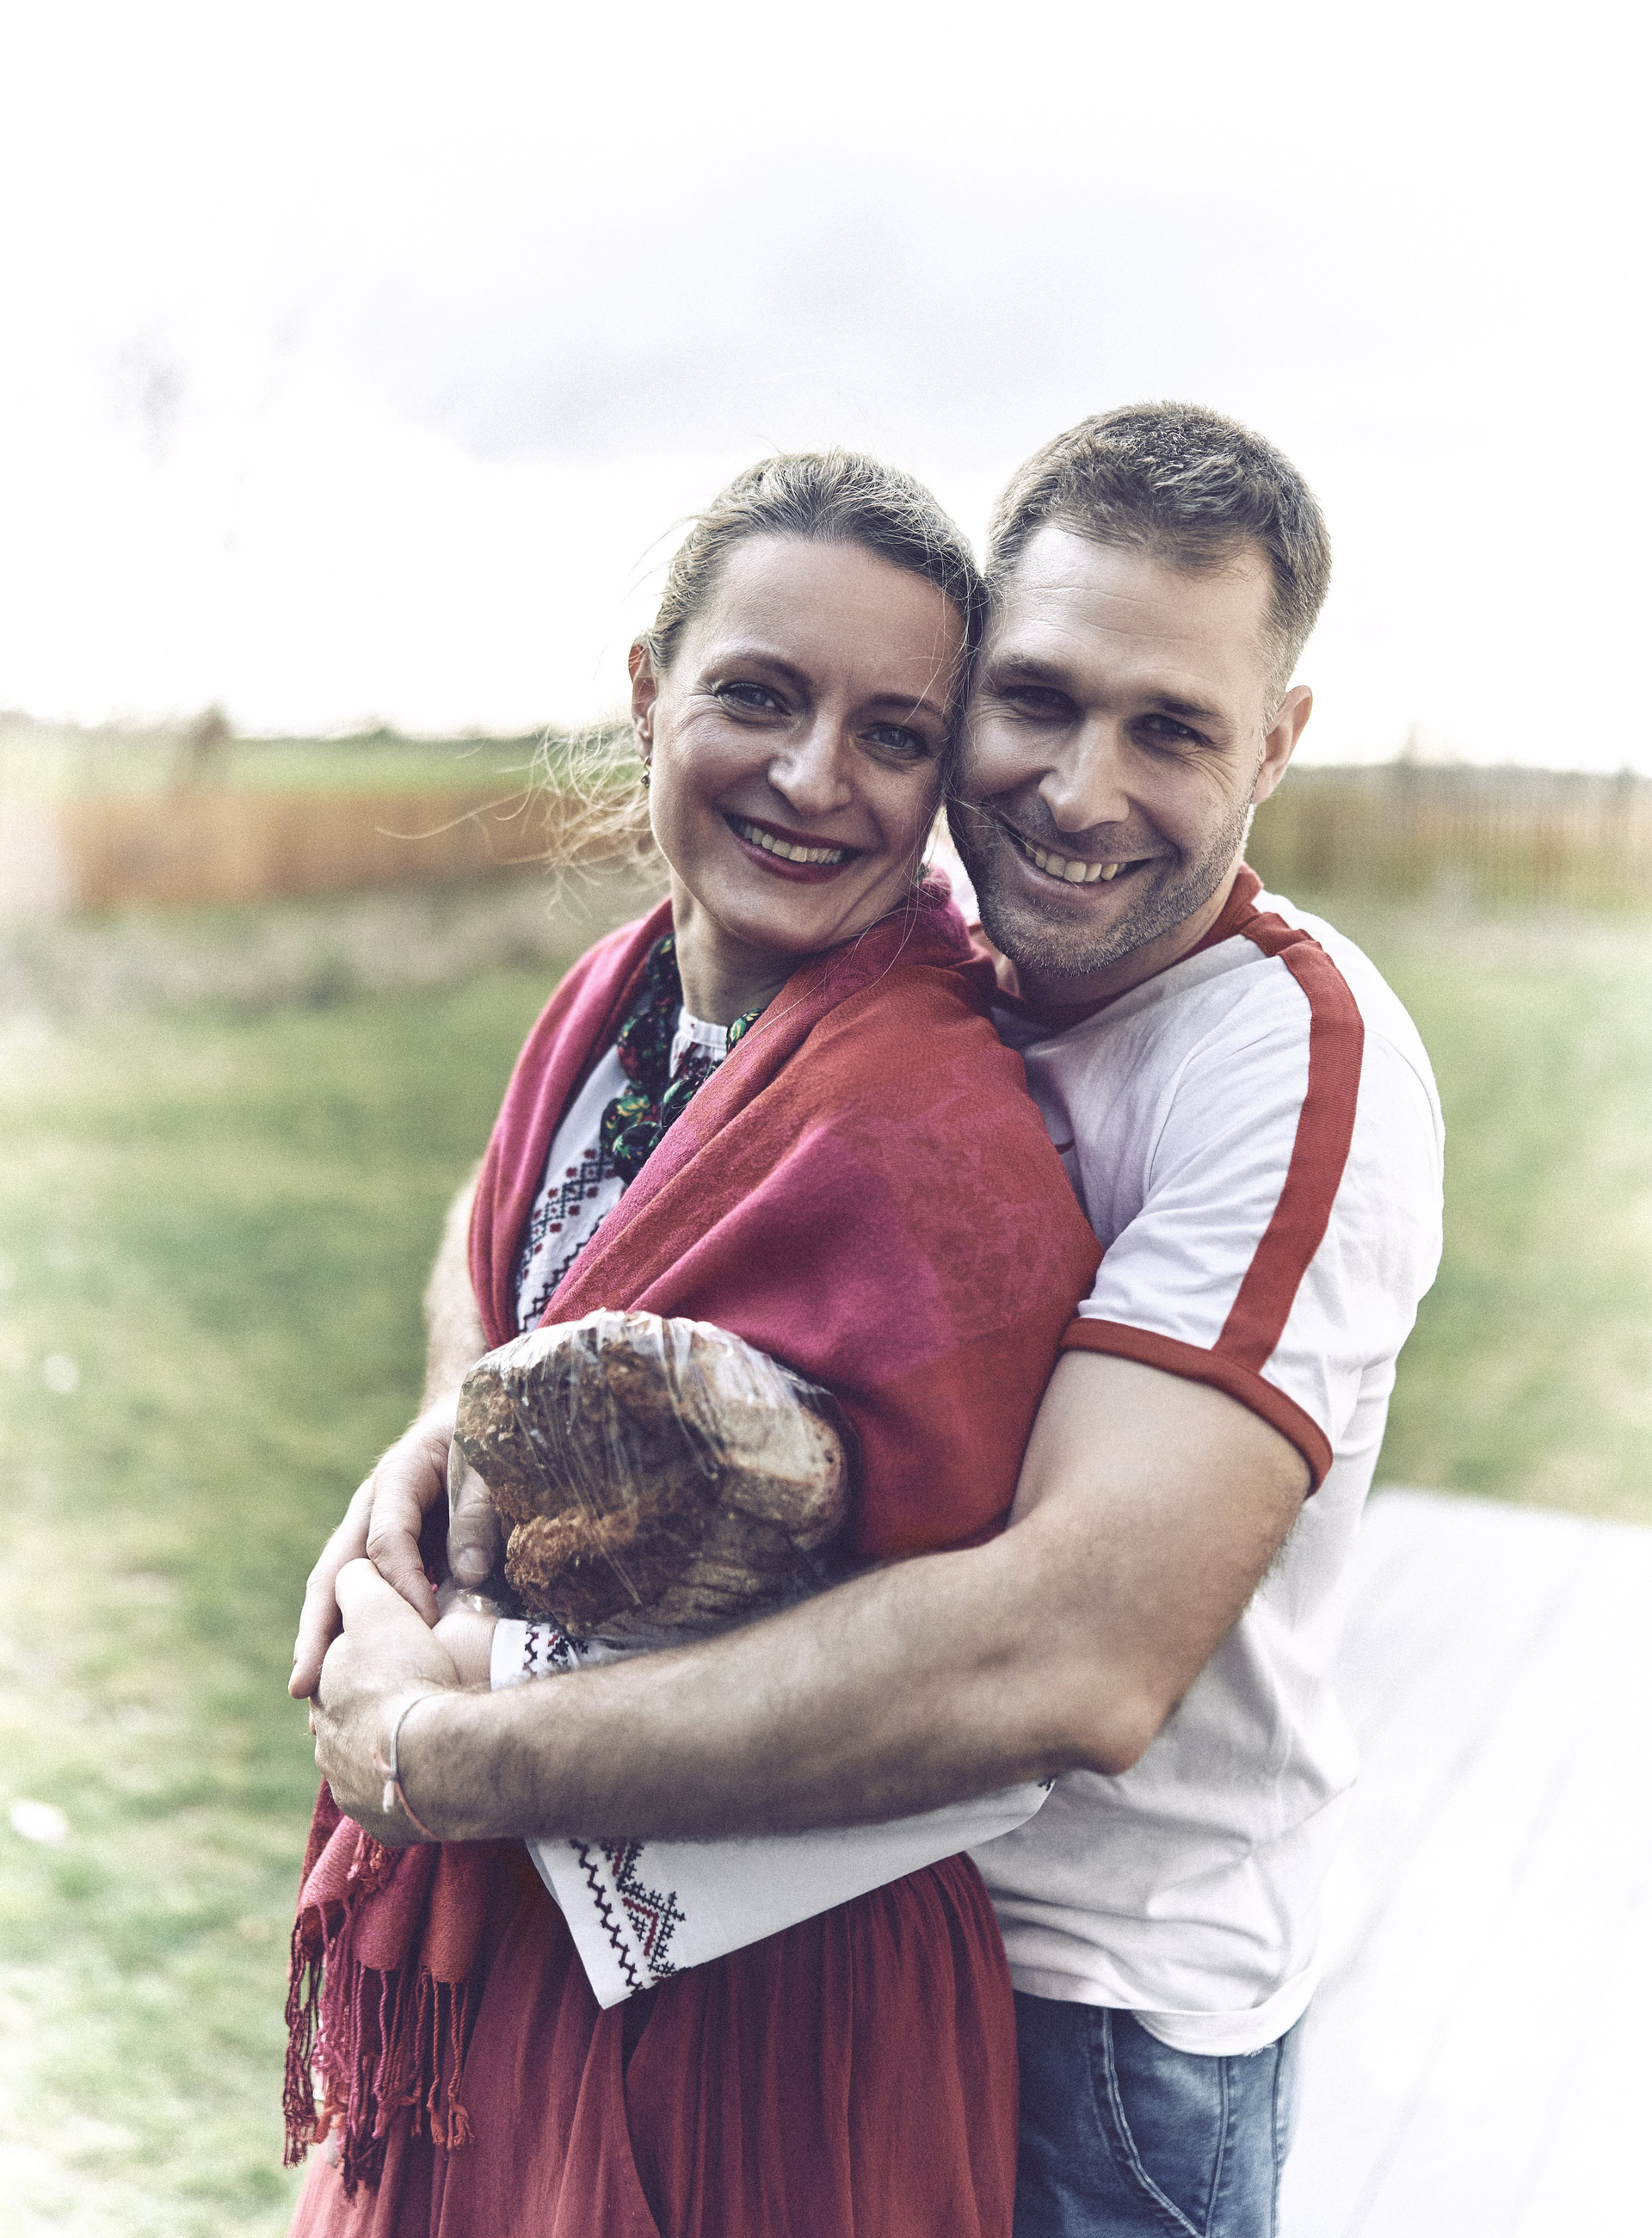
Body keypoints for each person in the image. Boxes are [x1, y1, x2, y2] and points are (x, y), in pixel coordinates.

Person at [300, 404, 1445, 2237]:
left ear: (1279, 741)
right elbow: (547, 1204)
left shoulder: (1281, 1061)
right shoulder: (914, 918)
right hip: (754, 1919)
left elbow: (1070, 1659)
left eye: (1171, 728)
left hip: (1093, 2012)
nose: (1079, 793)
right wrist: (456, 1421)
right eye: (1036, 701)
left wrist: (441, 1758)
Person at [285, 450, 1102, 2237]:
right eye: (759, 694)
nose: (815, 777)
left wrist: (429, 1681)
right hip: (515, 1958)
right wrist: (442, 1424)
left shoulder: (934, 1132)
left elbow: (943, 1669)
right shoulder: (612, 1000)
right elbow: (503, 1258)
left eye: (894, 732)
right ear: (650, 691)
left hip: (766, 2010)